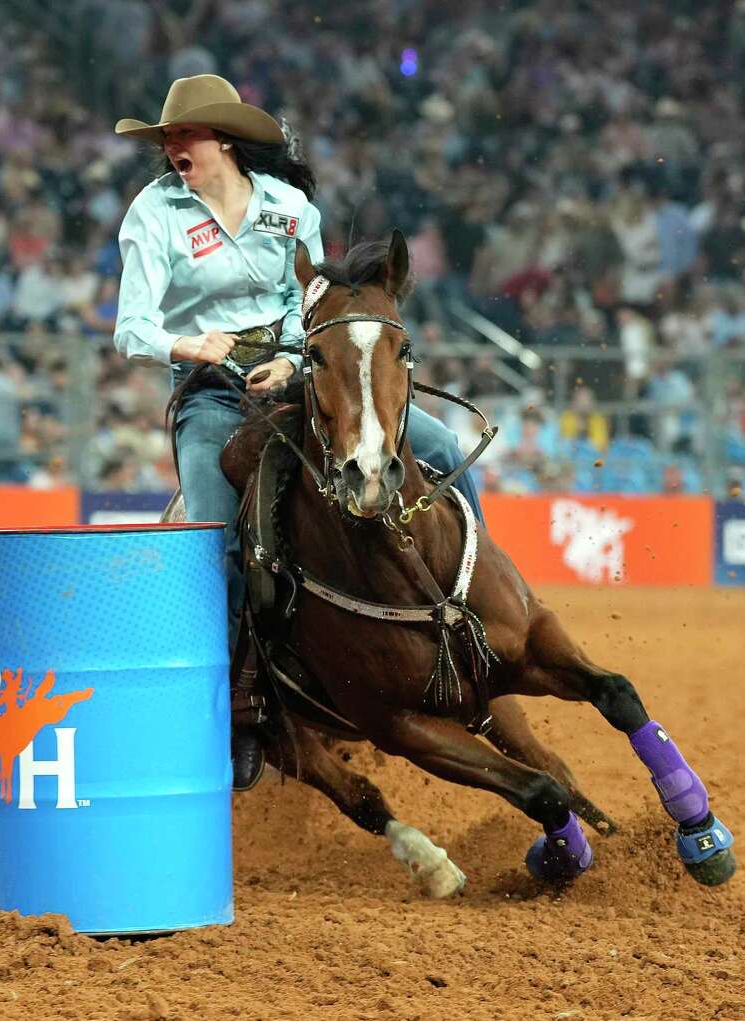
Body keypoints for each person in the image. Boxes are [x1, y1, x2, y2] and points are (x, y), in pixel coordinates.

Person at [112, 75, 485, 790]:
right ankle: (245, 705)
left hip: (306, 373)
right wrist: (193, 346)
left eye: (183, 134)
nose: (171, 147)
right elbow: (132, 326)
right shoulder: (152, 213)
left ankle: (473, 599)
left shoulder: (290, 208)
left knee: (440, 448)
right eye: (166, 137)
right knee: (212, 540)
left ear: (223, 140)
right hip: (211, 393)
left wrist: (288, 357)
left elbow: (307, 299)